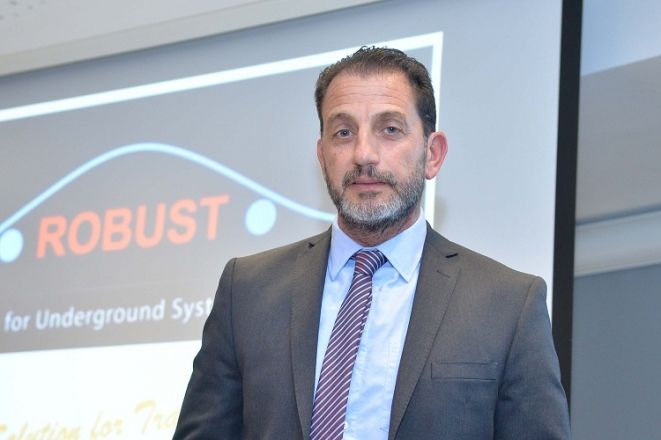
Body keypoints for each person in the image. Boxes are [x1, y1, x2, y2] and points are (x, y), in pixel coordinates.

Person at [173, 47, 570, 439]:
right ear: (322, 156)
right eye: (343, 133)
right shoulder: (247, 291)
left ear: (432, 154)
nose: (364, 154)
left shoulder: (509, 304)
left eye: (390, 129)